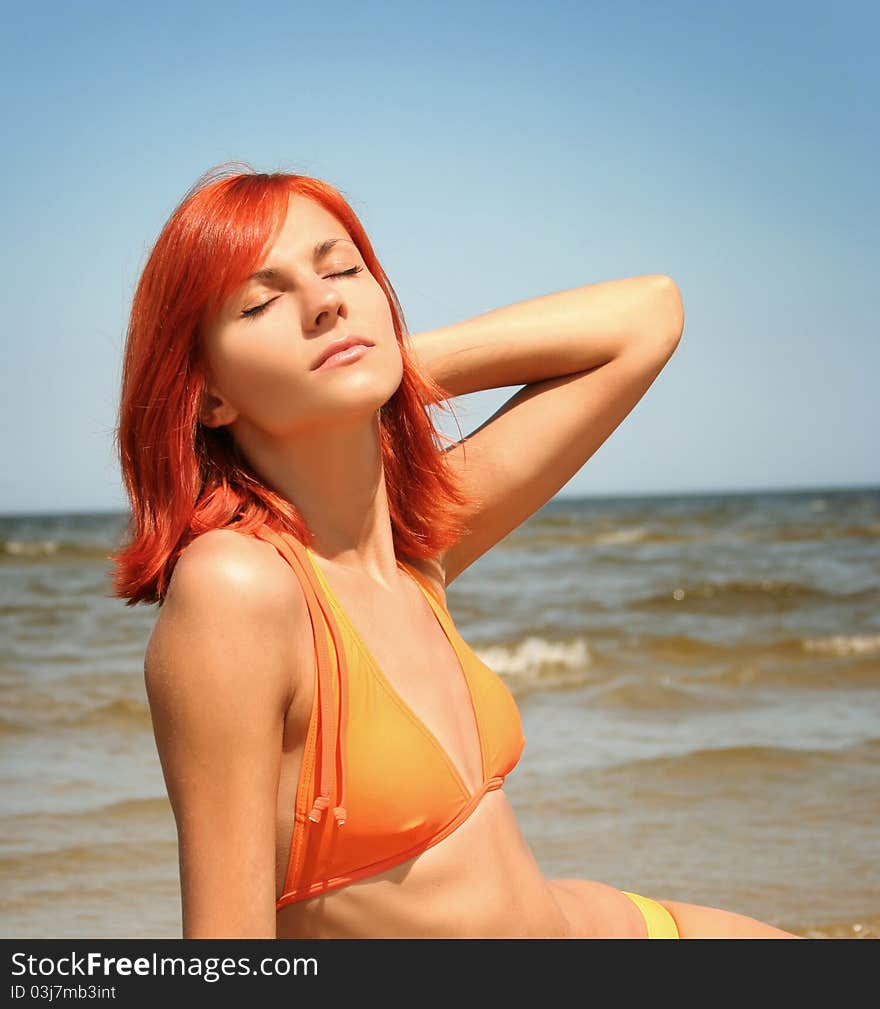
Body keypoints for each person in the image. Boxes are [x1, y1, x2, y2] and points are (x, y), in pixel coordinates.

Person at [111, 163, 799, 939]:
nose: (326, 301)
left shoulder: (413, 551)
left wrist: (391, 365)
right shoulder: (236, 586)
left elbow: (649, 316)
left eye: (342, 268)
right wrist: (358, 364)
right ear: (206, 395)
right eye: (262, 301)